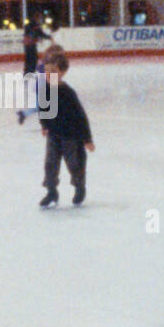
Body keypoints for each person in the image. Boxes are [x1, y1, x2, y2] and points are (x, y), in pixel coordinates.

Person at [38, 49, 94, 208]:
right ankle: (51, 191)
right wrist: (44, 125)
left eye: (53, 71)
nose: (49, 75)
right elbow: (43, 109)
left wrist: (87, 139)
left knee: (75, 164)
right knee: (50, 164)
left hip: (71, 136)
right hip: (53, 135)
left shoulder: (68, 93)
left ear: (63, 72)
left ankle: (79, 187)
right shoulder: (45, 89)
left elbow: (81, 117)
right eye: (46, 71)